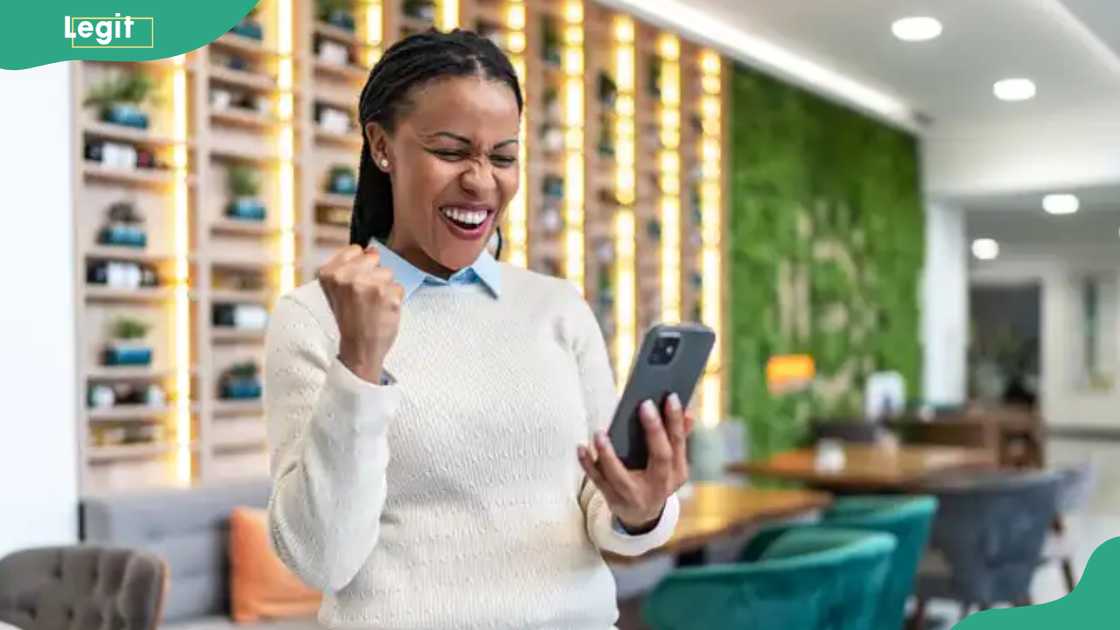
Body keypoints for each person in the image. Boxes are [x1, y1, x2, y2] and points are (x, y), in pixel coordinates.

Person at [263, 29, 692, 629]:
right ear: (382, 146)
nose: (481, 181)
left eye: (503, 157)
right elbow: (322, 559)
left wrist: (641, 510)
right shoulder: (314, 319)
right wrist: (359, 365)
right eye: (450, 151)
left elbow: (604, 510)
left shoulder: (558, 308)